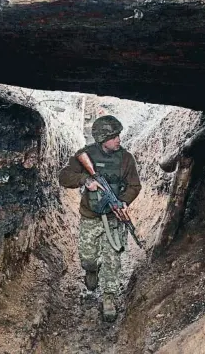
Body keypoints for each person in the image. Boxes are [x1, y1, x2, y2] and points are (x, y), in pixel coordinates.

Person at [58, 115, 141, 322]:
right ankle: (91, 270)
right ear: (102, 139)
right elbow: (64, 177)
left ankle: (109, 297)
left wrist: (123, 202)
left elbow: (134, 186)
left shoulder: (126, 159)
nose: (118, 140)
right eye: (114, 137)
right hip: (90, 216)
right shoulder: (85, 155)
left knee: (112, 257)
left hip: (113, 218)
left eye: (118, 135)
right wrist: (85, 180)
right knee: (88, 257)